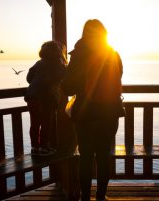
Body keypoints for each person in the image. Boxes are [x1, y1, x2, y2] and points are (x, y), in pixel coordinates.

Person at [61, 19, 125, 201]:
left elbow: (67, 88)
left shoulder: (79, 54)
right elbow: (118, 77)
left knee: (86, 156)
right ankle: (101, 196)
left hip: (85, 114)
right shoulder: (113, 53)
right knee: (104, 156)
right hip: (110, 112)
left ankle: (85, 198)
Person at [24, 41, 67, 156]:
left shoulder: (39, 63)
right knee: (46, 124)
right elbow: (65, 79)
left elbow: (29, 78)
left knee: (35, 124)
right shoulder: (60, 65)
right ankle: (44, 148)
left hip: (32, 97)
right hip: (48, 99)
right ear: (59, 52)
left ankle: (34, 148)